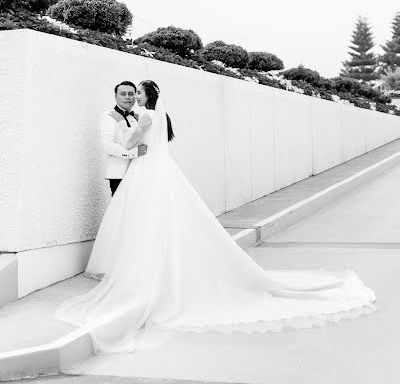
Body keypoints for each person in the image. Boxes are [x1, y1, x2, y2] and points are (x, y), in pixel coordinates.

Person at [56, 80, 376, 354]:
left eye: (138, 93)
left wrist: (132, 131)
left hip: (143, 170)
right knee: (161, 218)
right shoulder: (160, 116)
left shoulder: (144, 118)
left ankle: (148, 268)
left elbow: (127, 143)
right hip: (160, 171)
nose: (135, 97)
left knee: (141, 220)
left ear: (147, 95)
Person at [99, 81, 147, 196]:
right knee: (121, 211)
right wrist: (134, 153)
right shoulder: (108, 116)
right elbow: (108, 145)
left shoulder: (137, 118)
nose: (127, 97)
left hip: (138, 173)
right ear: (116, 97)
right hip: (119, 173)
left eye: (131, 94)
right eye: (123, 94)